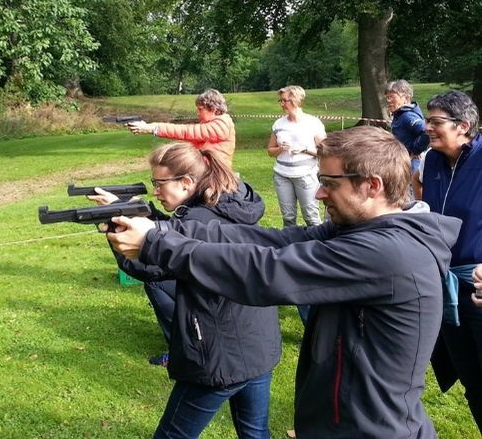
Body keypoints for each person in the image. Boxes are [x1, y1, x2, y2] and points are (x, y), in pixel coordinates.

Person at [107, 125, 459, 437]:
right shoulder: (361, 231)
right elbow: (272, 241)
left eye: (329, 183)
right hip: (345, 422)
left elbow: (266, 270)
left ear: (372, 186)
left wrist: (157, 244)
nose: (320, 194)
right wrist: (166, 228)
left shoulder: (386, 252)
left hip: (369, 429)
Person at [91, 143, 274, 421]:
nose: (155, 190)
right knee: (255, 432)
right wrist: (132, 211)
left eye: (159, 183)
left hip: (218, 353)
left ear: (187, 182)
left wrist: (118, 232)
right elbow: (179, 233)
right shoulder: (224, 203)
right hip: (257, 343)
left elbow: (150, 266)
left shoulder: (200, 216)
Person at [420, 90, 482, 430]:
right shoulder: (431, 160)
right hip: (444, 286)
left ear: (464, 126)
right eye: (428, 120)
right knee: (471, 381)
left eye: (435, 121)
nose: (427, 126)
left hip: (478, 288)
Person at [126, 89, 236, 168]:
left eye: (200, 109)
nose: (197, 113)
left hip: (214, 177)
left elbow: (186, 132)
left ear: (213, 108)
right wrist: (148, 126)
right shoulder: (218, 123)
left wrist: (153, 128)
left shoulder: (222, 124)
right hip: (208, 173)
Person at [267, 85, 327, 227]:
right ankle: (290, 246)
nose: (281, 104)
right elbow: (270, 151)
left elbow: (325, 151)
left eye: (284, 100)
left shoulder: (313, 123)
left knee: (311, 218)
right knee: (288, 218)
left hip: (306, 176)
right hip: (282, 176)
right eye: (280, 101)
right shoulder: (278, 124)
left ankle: (318, 246)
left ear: (295, 100)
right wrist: (280, 149)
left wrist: (305, 149)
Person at [386, 79, 429, 172]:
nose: (388, 101)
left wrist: (416, 150)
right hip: (403, 162)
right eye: (387, 97)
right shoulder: (399, 114)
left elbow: (427, 131)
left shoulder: (408, 116)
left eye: (392, 97)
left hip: (413, 165)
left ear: (406, 98)